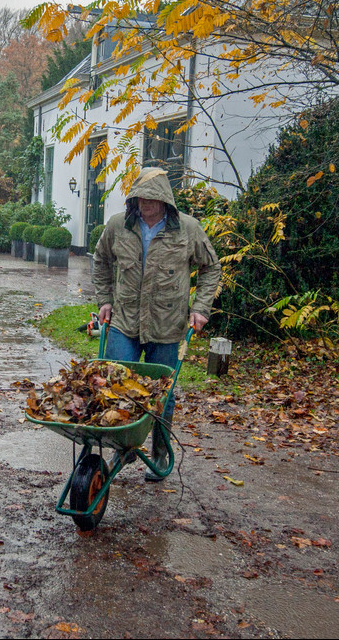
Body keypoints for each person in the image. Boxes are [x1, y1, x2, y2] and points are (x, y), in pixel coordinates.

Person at [92, 167, 222, 480]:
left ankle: (160, 453)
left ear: (165, 200)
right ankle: (122, 446)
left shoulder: (188, 229)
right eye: (139, 198)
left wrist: (201, 309)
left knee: (162, 394)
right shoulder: (117, 226)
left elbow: (211, 268)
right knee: (115, 385)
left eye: (152, 198)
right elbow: (100, 261)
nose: (145, 204)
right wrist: (104, 300)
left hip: (167, 325)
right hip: (125, 320)